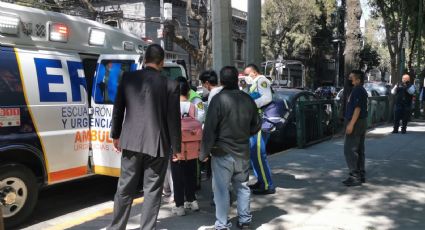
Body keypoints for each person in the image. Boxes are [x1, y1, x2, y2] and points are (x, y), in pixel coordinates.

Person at [108, 44, 181, 230]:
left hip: (130, 140)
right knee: (152, 191)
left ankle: (116, 227)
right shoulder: (171, 84)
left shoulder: (128, 78)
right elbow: (173, 120)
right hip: (158, 144)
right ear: (162, 62)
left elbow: (118, 108)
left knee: (124, 188)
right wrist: (177, 148)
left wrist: (115, 135)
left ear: (144, 59)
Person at [200, 66, 261, 230]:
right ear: (237, 80)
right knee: (242, 186)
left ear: (221, 81)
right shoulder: (247, 99)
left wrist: (204, 153)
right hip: (242, 151)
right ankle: (245, 220)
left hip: (222, 152)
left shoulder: (218, 100)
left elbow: (210, 129)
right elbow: (257, 125)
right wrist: (245, 134)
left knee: (221, 190)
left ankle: (222, 224)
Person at [170, 79, 202, 216]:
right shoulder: (192, 107)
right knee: (191, 174)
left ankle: (179, 206)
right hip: (193, 147)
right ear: (188, 92)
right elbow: (198, 122)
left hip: (177, 147)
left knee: (178, 177)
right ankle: (192, 201)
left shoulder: (172, 106)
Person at [243, 63, 275, 195]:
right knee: (254, 154)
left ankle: (267, 185)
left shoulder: (261, 80)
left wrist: (249, 104)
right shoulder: (254, 83)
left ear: (254, 73)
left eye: (247, 74)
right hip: (256, 123)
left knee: (258, 154)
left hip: (260, 123)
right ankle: (261, 181)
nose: (245, 77)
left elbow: (267, 98)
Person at [342, 70, 368, 187]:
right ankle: (360, 173)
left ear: (358, 79)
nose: (349, 78)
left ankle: (355, 175)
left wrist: (351, 124)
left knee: (350, 149)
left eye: (351, 77)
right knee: (359, 148)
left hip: (356, 122)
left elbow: (357, 109)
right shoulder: (360, 89)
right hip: (361, 121)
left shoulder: (357, 90)